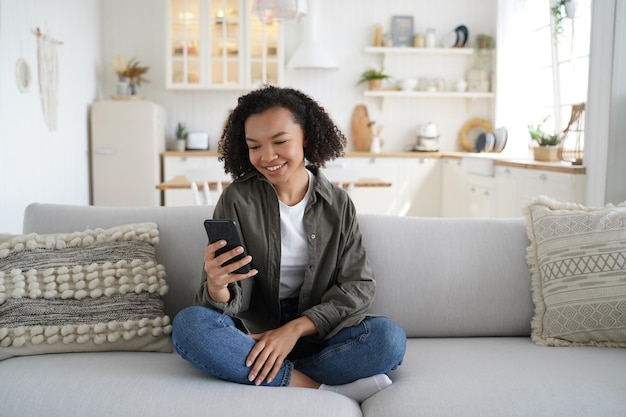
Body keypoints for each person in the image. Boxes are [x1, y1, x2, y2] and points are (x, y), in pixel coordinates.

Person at [172, 86, 406, 403]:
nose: (267, 157)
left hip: (318, 333)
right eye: (254, 146)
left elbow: (358, 286)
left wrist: (291, 331)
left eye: (280, 142)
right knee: (188, 327)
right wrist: (217, 285)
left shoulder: (338, 204)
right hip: (253, 331)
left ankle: (262, 369)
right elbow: (226, 299)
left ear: (305, 136)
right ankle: (318, 387)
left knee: (388, 340)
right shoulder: (237, 199)